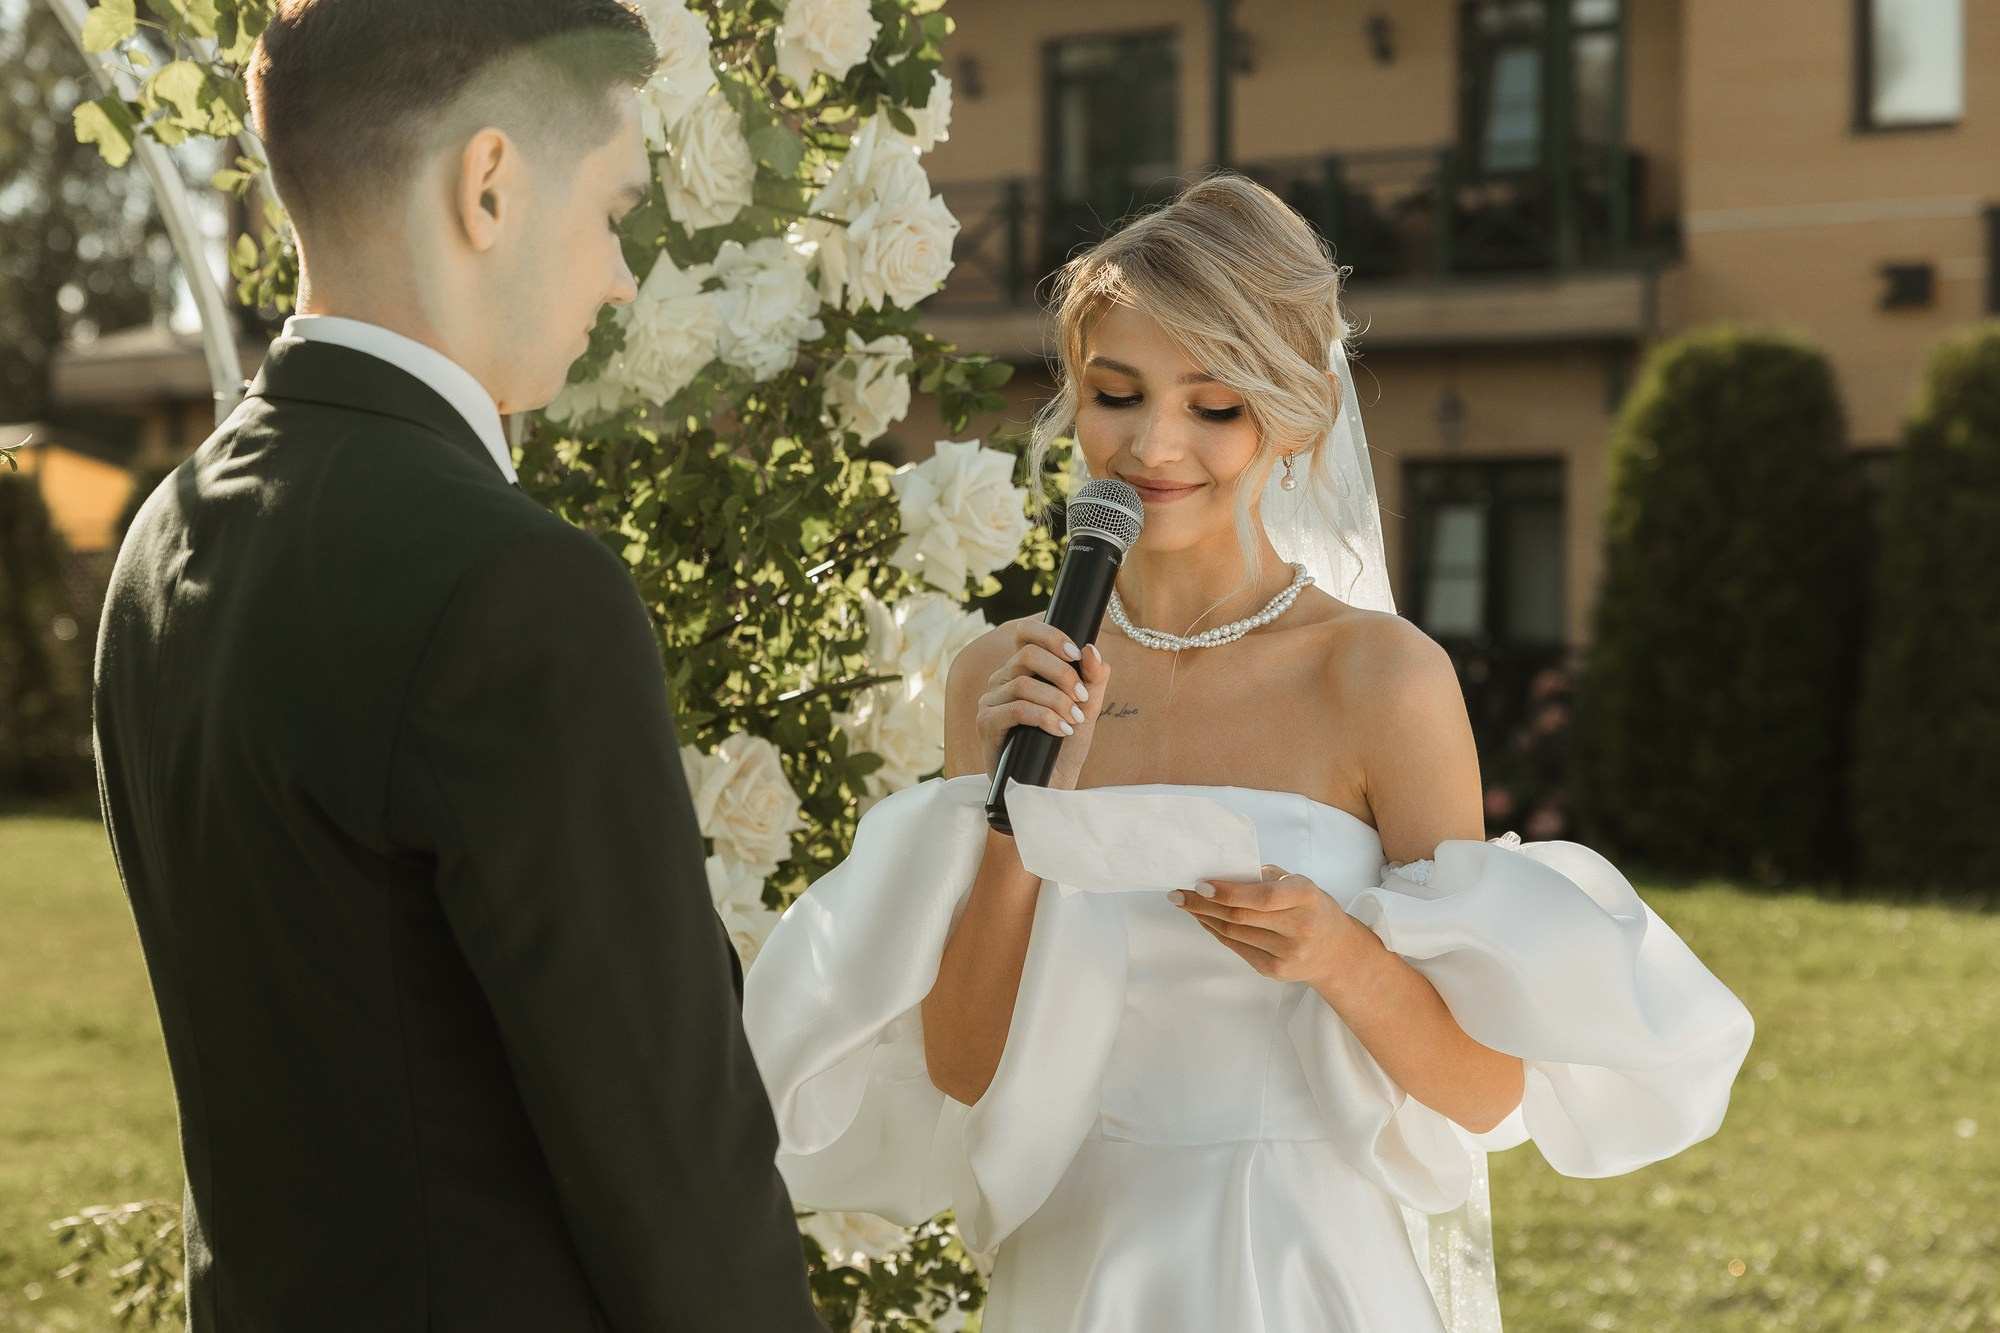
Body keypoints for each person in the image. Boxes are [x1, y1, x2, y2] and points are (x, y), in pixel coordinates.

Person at [741, 175, 1754, 1332]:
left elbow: (1482, 1093)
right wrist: (1020, 827)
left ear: (1294, 420)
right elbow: (967, 1066)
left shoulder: (1377, 678)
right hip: (1080, 1264)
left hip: (1302, 1264)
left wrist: (1341, 956)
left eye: (1213, 407)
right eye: (1116, 393)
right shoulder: (1000, 678)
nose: (1154, 445)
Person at [92, 2, 822, 1329]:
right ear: (489, 185)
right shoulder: (518, 587)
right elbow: (674, 1174)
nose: (617, 279)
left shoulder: (164, 541)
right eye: (612, 210)